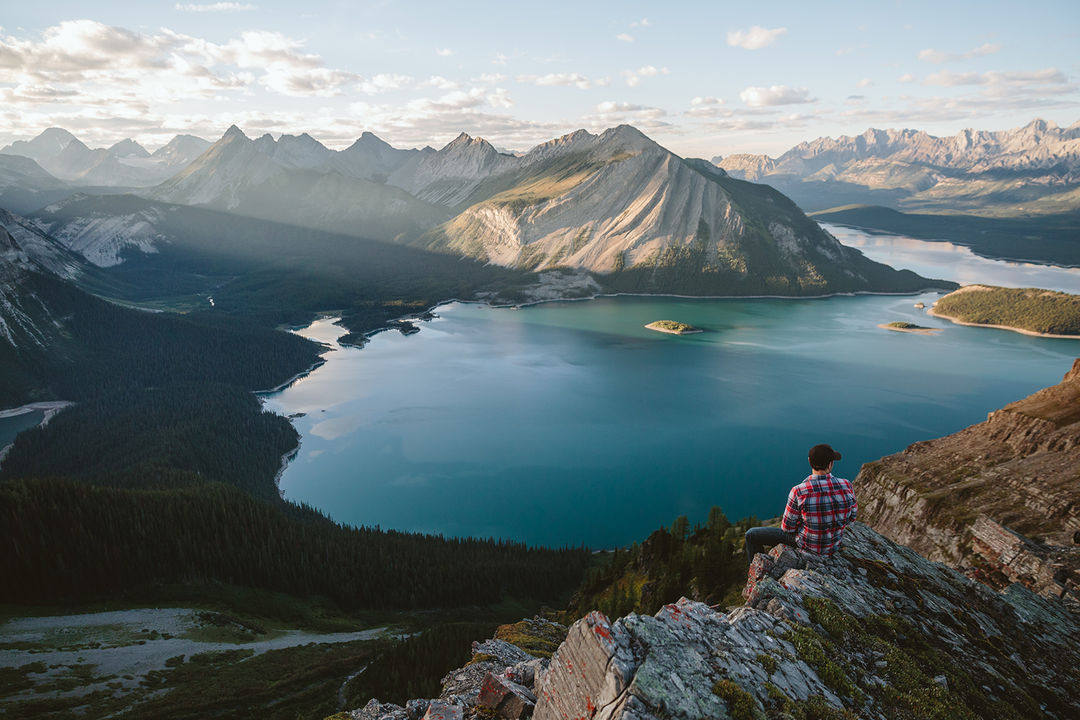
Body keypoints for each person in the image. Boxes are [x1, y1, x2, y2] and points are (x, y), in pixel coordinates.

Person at [744, 444, 857, 561]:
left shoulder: (799, 491)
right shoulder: (846, 485)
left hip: (807, 547)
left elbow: (787, 528)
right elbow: (851, 519)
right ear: (830, 464)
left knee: (751, 535)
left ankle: (756, 569)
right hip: (833, 548)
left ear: (809, 461)